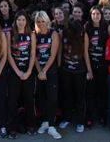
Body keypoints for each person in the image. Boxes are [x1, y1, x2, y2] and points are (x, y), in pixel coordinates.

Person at [7, 10, 37, 137]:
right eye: (19, 20)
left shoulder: (32, 34)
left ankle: (30, 125)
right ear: (15, 21)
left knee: (29, 99)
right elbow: (8, 54)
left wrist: (29, 71)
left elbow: (32, 54)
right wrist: (18, 71)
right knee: (13, 100)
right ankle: (12, 127)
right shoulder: (10, 34)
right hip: (15, 72)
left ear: (27, 21)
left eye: (23, 20)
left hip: (28, 71)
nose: (21, 22)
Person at [58, 18, 90, 133]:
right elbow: (60, 50)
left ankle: (80, 121)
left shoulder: (83, 35)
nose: (81, 33)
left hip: (80, 71)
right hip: (66, 70)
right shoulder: (64, 34)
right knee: (67, 95)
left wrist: (89, 70)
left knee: (80, 96)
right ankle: (67, 118)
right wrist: (59, 65)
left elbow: (86, 52)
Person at [34, 10, 62, 139]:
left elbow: (53, 54)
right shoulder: (34, 35)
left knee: (52, 98)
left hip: (50, 71)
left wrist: (44, 70)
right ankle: (45, 122)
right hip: (39, 72)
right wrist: (40, 71)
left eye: (43, 21)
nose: (41, 24)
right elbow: (33, 56)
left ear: (47, 21)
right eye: (38, 21)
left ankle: (52, 125)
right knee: (41, 97)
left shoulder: (54, 34)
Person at [85, 6, 109, 128]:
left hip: (103, 66)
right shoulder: (87, 28)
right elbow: (85, 51)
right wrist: (89, 70)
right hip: (91, 65)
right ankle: (89, 117)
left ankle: (102, 116)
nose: (96, 16)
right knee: (90, 92)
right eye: (93, 14)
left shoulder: (106, 28)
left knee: (102, 92)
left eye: (98, 14)